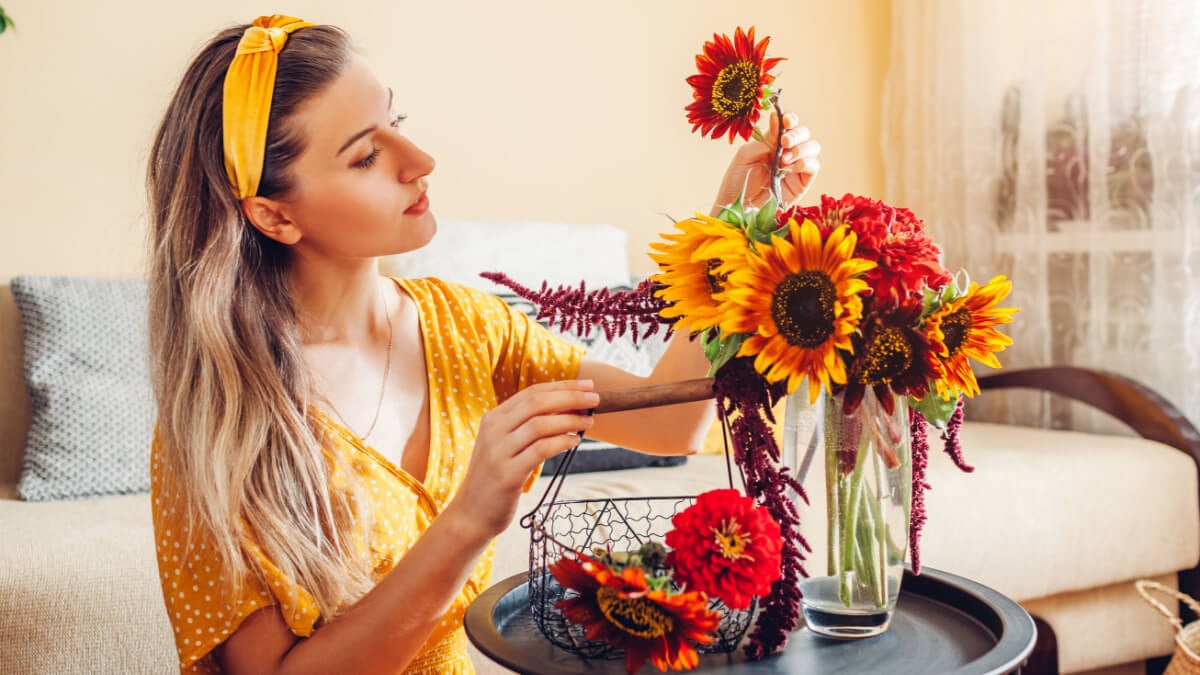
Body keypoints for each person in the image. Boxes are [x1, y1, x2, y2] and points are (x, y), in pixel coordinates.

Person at [146, 14, 821, 675]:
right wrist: (470, 519)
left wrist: (736, 224)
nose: (420, 162)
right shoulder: (212, 435)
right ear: (274, 214)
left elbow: (669, 420)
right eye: (365, 155)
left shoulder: (466, 328)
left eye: (397, 122)